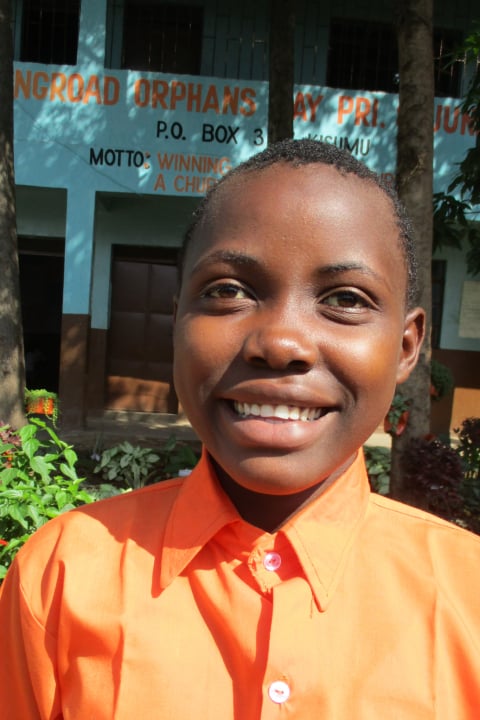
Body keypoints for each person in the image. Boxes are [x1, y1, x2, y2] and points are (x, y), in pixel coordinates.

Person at [0, 139, 479, 719]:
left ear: (405, 348)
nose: (280, 343)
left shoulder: (468, 596)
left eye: (345, 299)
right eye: (228, 291)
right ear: (177, 321)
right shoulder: (62, 575)